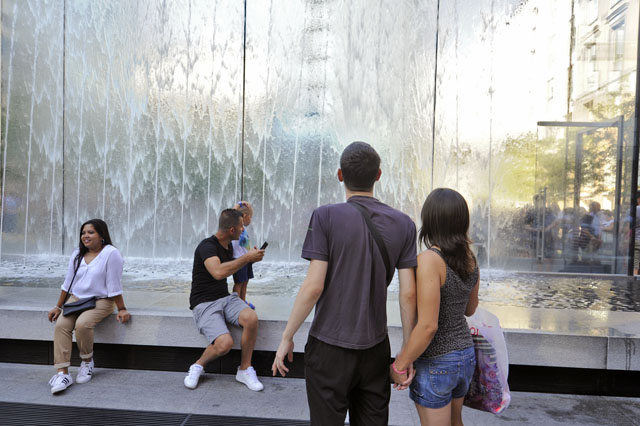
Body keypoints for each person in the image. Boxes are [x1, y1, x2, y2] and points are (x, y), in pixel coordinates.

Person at [272, 141, 418, 425]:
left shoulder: (325, 216)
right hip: (375, 348)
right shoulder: (404, 224)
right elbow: (409, 295)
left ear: (340, 175)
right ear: (378, 175)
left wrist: (287, 337)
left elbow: (314, 287)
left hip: (328, 348)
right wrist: (407, 353)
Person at [390, 188, 479, 426]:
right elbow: (470, 309)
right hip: (465, 357)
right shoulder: (470, 258)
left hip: (437, 361)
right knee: (455, 422)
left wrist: (400, 365)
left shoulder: (429, 260)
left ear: (430, 221)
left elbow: (428, 326)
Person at [184, 209, 266, 391]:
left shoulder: (230, 244)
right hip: (204, 303)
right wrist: (246, 258)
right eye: (241, 226)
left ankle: (245, 369)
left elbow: (238, 264)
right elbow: (218, 272)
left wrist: (250, 257)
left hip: (225, 298)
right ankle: (198, 365)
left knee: (251, 318)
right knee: (225, 344)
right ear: (231, 230)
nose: (243, 229)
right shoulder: (207, 247)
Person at [47, 219, 131, 394]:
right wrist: (58, 306)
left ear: (101, 235)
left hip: (102, 300)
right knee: (62, 325)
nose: (86, 236)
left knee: (83, 324)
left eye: (91, 232)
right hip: (76, 299)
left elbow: (114, 284)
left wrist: (121, 308)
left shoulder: (111, 253)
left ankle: (87, 361)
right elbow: (67, 283)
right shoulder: (77, 254)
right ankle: (62, 373)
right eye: (83, 232)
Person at [232, 201, 255, 309]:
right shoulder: (236, 227)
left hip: (246, 259)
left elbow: (244, 245)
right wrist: (239, 204)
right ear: (245, 216)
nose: (251, 220)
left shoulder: (244, 230)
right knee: (239, 283)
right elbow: (232, 215)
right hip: (238, 259)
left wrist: (251, 251)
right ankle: (236, 305)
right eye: (250, 217)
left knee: (245, 281)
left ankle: (243, 302)